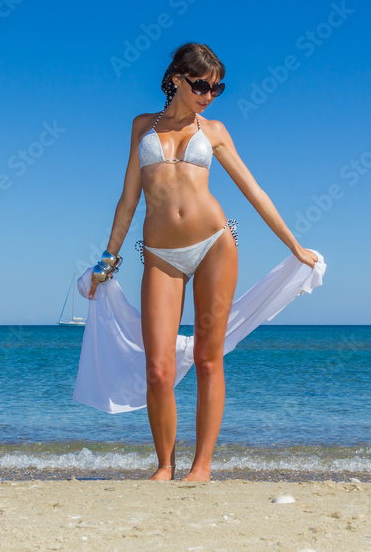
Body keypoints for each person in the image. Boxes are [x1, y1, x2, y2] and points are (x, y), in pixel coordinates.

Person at [88, 41, 318, 482]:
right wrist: (107, 259)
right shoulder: (141, 128)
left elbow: (254, 191)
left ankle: (202, 467)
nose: (208, 95)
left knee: (208, 358)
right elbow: (128, 201)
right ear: (176, 77)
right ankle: (163, 466)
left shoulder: (213, 131)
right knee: (157, 368)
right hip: (159, 255)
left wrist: (294, 246)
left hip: (214, 244)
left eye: (217, 88)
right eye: (200, 85)